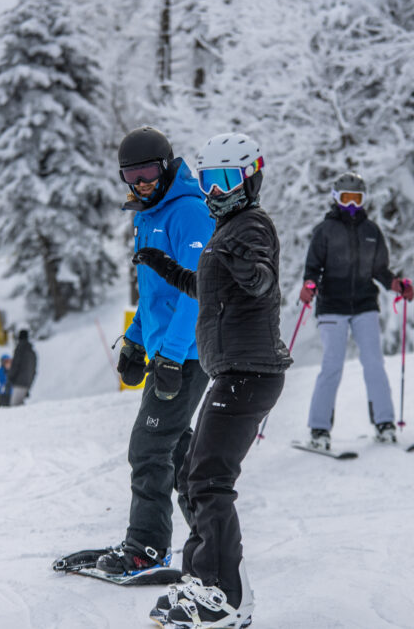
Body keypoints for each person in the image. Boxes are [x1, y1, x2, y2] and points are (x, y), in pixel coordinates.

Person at [133, 132, 291, 628]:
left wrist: (247, 265)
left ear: (250, 178)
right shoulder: (227, 230)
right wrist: (166, 267)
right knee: (196, 474)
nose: (217, 191)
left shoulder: (251, 227)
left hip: (250, 372)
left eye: (227, 179)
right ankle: (211, 583)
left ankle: (222, 594)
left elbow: (259, 276)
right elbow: (208, 285)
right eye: (209, 180)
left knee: (208, 479)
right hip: (237, 372)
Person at [91, 126, 214, 579]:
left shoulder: (189, 213)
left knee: (149, 448)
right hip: (168, 349)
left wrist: (171, 357)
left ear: (166, 167)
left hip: (189, 352)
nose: (140, 183)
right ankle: (210, 544)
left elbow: (195, 293)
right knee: (177, 452)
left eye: (148, 173)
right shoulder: (148, 214)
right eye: (131, 175)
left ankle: (146, 548)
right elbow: (154, 293)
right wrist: (138, 341)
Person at [299, 171, 414, 450]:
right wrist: (309, 285)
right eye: (346, 198)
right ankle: (319, 429)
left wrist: (397, 284)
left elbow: (380, 270)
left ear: (364, 200)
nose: (351, 205)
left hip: (364, 304)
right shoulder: (324, 231)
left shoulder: (371, 231)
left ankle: (385, 423)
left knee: (374, 363)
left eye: (357, 199)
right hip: (332, 306)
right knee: (332, 366)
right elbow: (313, 268)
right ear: (336, 198)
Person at [7, 330, 37, 406]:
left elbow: (15, 365)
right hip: (27, 383)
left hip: (19, 382)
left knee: (14, 406)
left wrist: (10, 377)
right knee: (20, 406)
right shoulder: (32, 352)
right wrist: (29, 385)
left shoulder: (19, 349)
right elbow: (34, 371)